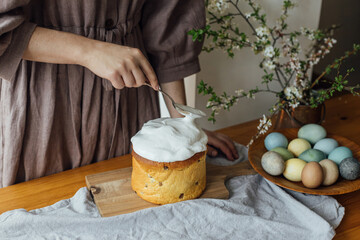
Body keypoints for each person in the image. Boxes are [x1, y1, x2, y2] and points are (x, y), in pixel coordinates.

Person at [0, 0, 238, 188]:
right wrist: (89, 51)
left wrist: (184, 129)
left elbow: (169, 21)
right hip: (46, 107)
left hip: (129, 103)